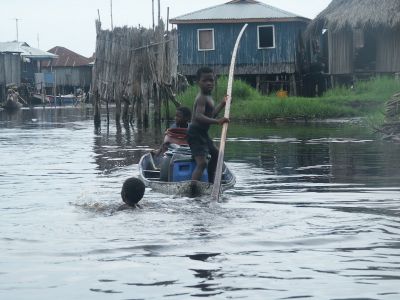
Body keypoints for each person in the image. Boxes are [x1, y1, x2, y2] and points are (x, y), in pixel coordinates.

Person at [187, 67, 229, 183]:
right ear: (198, 82)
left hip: (203, 133)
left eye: (211, 80)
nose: (209, 83)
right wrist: (218, 122)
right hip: (195, 133)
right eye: (205, 81)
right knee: (202, 163)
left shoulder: (209, 97)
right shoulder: (201, 98)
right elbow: (198, 116)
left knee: (216, 154)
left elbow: (212, 115)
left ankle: (211, 181)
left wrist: (222, 103)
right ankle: (193, 187)